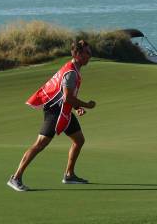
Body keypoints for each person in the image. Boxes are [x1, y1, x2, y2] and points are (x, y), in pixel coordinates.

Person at [7, 40, 96, 191]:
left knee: (79, 140)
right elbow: (67, 97)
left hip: (64, 110)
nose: (90, 56)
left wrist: (77, 107)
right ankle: (15, 178)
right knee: (40, 144)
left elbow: (65, 95)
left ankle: (69, 175)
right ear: (78, 54)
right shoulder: (71, 73)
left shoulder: (73, 68)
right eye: (88, 53)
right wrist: (87, 105)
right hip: (55, 111)